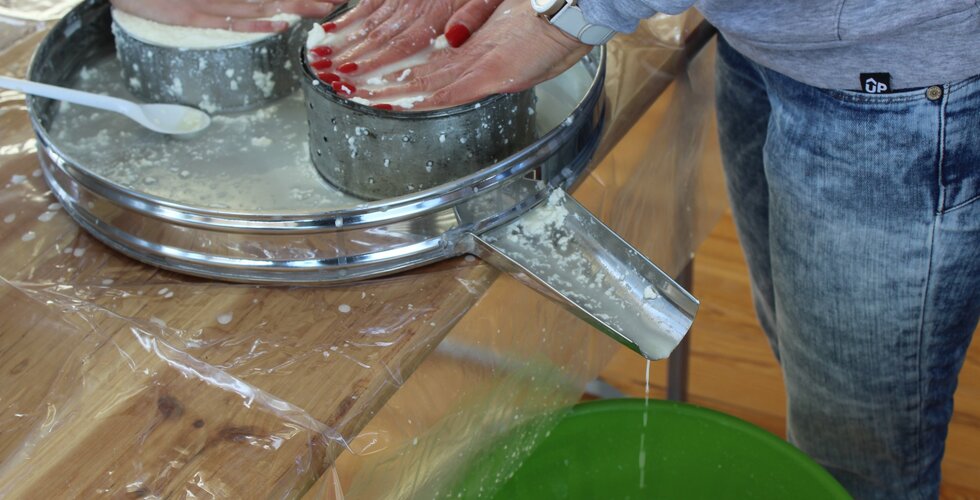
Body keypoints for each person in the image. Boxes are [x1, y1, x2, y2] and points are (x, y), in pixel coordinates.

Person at [110, 1, 980, 498]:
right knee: (801, 346)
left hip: (897, 76)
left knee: (860, 447)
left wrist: (572, 15)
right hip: (774, 31)